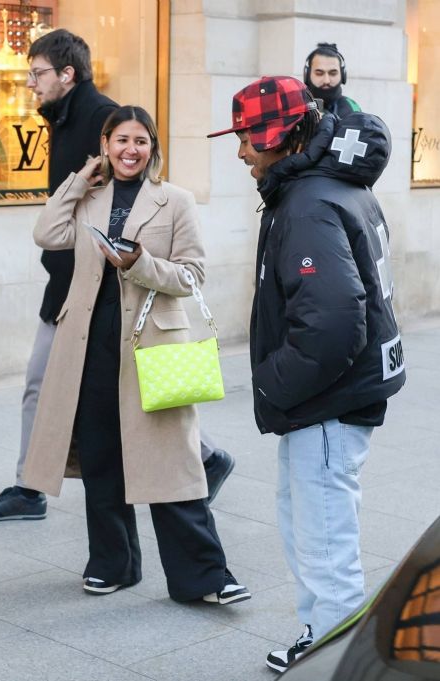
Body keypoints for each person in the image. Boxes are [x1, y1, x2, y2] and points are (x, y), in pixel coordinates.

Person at [0, 30, 232, 523]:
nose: (31, 83)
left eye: (38, 73)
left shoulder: (104, 117)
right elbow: (52, 226)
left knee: (104, 386)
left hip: (112, 288)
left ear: (67, 74)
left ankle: (33, 488)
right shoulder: (63, 118)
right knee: (63, 384)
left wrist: (135, 255)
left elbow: (146, 204)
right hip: (72, 281)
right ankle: (204, 456)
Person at [208, 76, 405, 671]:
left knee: (323, 540)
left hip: (328, 401)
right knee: (310, 525)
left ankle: (336, 656)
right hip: (333, 398)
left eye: (248, 138)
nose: (241, 151)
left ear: (282, 139)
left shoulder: (308, 203)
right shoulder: (329, 188)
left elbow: (335, 326)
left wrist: (271, 382)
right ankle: (324, 639)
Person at [21, 104, 251, 604]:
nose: (131, 150)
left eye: (140, 141)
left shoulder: (175, 201)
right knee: (102, 462)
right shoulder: (89, 197)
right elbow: (47, 233)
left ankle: (205, 577)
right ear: (106, 145)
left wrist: (140, 263)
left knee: (174, 466)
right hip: (87, 348)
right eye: (121, 140)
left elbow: (192, 275)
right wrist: (80, 178)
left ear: (153, 148)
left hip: (153, 347)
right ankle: (114, 563)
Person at [304, 42, 360, 117]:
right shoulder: (295, 106)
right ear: (307, 74)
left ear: (343, 75)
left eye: (333, 73)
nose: (326, 80)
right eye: (319, 73)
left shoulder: (351, 107)